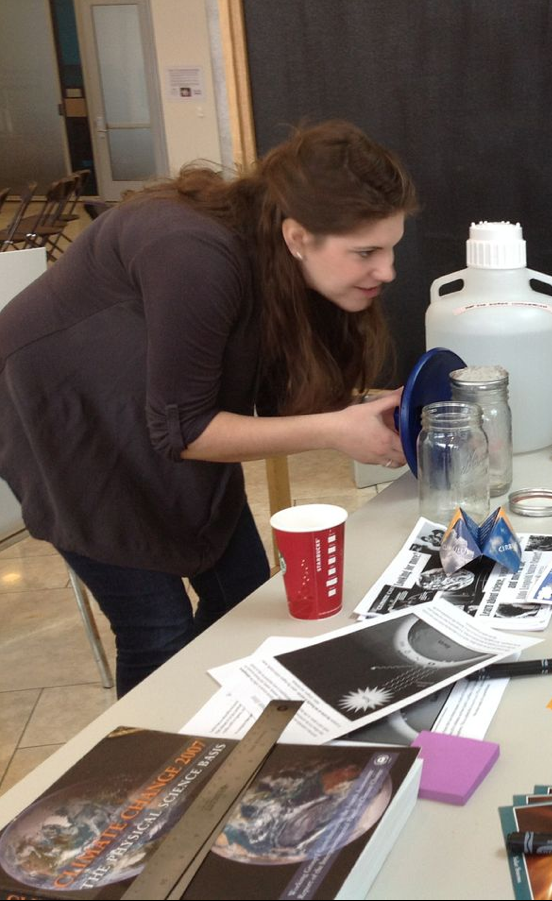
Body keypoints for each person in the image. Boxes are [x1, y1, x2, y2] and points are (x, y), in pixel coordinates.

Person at [0, 121, 418, 697]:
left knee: (243, 593)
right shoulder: (191, 251)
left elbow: (233, 410)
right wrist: (333, 431)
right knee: (158, 631)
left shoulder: (274, 258)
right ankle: (153, 775)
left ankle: (218, 722)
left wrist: (357, 413)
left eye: (391, 247)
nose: (387, 271)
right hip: (63, 421)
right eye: (366, 252)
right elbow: (188, 430)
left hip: (157, 409)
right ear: (298, 236)